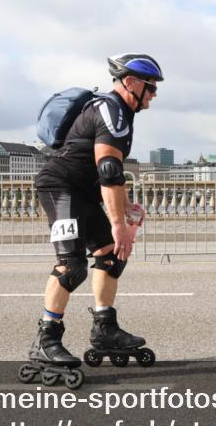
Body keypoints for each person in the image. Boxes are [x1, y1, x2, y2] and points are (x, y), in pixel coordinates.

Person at [29, 53, 162, 373]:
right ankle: (45, 340)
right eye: (151, 86)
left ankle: (104, 328)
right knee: (72, 266)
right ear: (130, 83)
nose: (154, 93)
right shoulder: (111, 110)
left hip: (84, 192)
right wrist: (118, 223)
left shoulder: (122, 112)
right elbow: (109, 168)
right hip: (59, 188)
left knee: (111, 255)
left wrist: (124, 207)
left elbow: (109, 172)